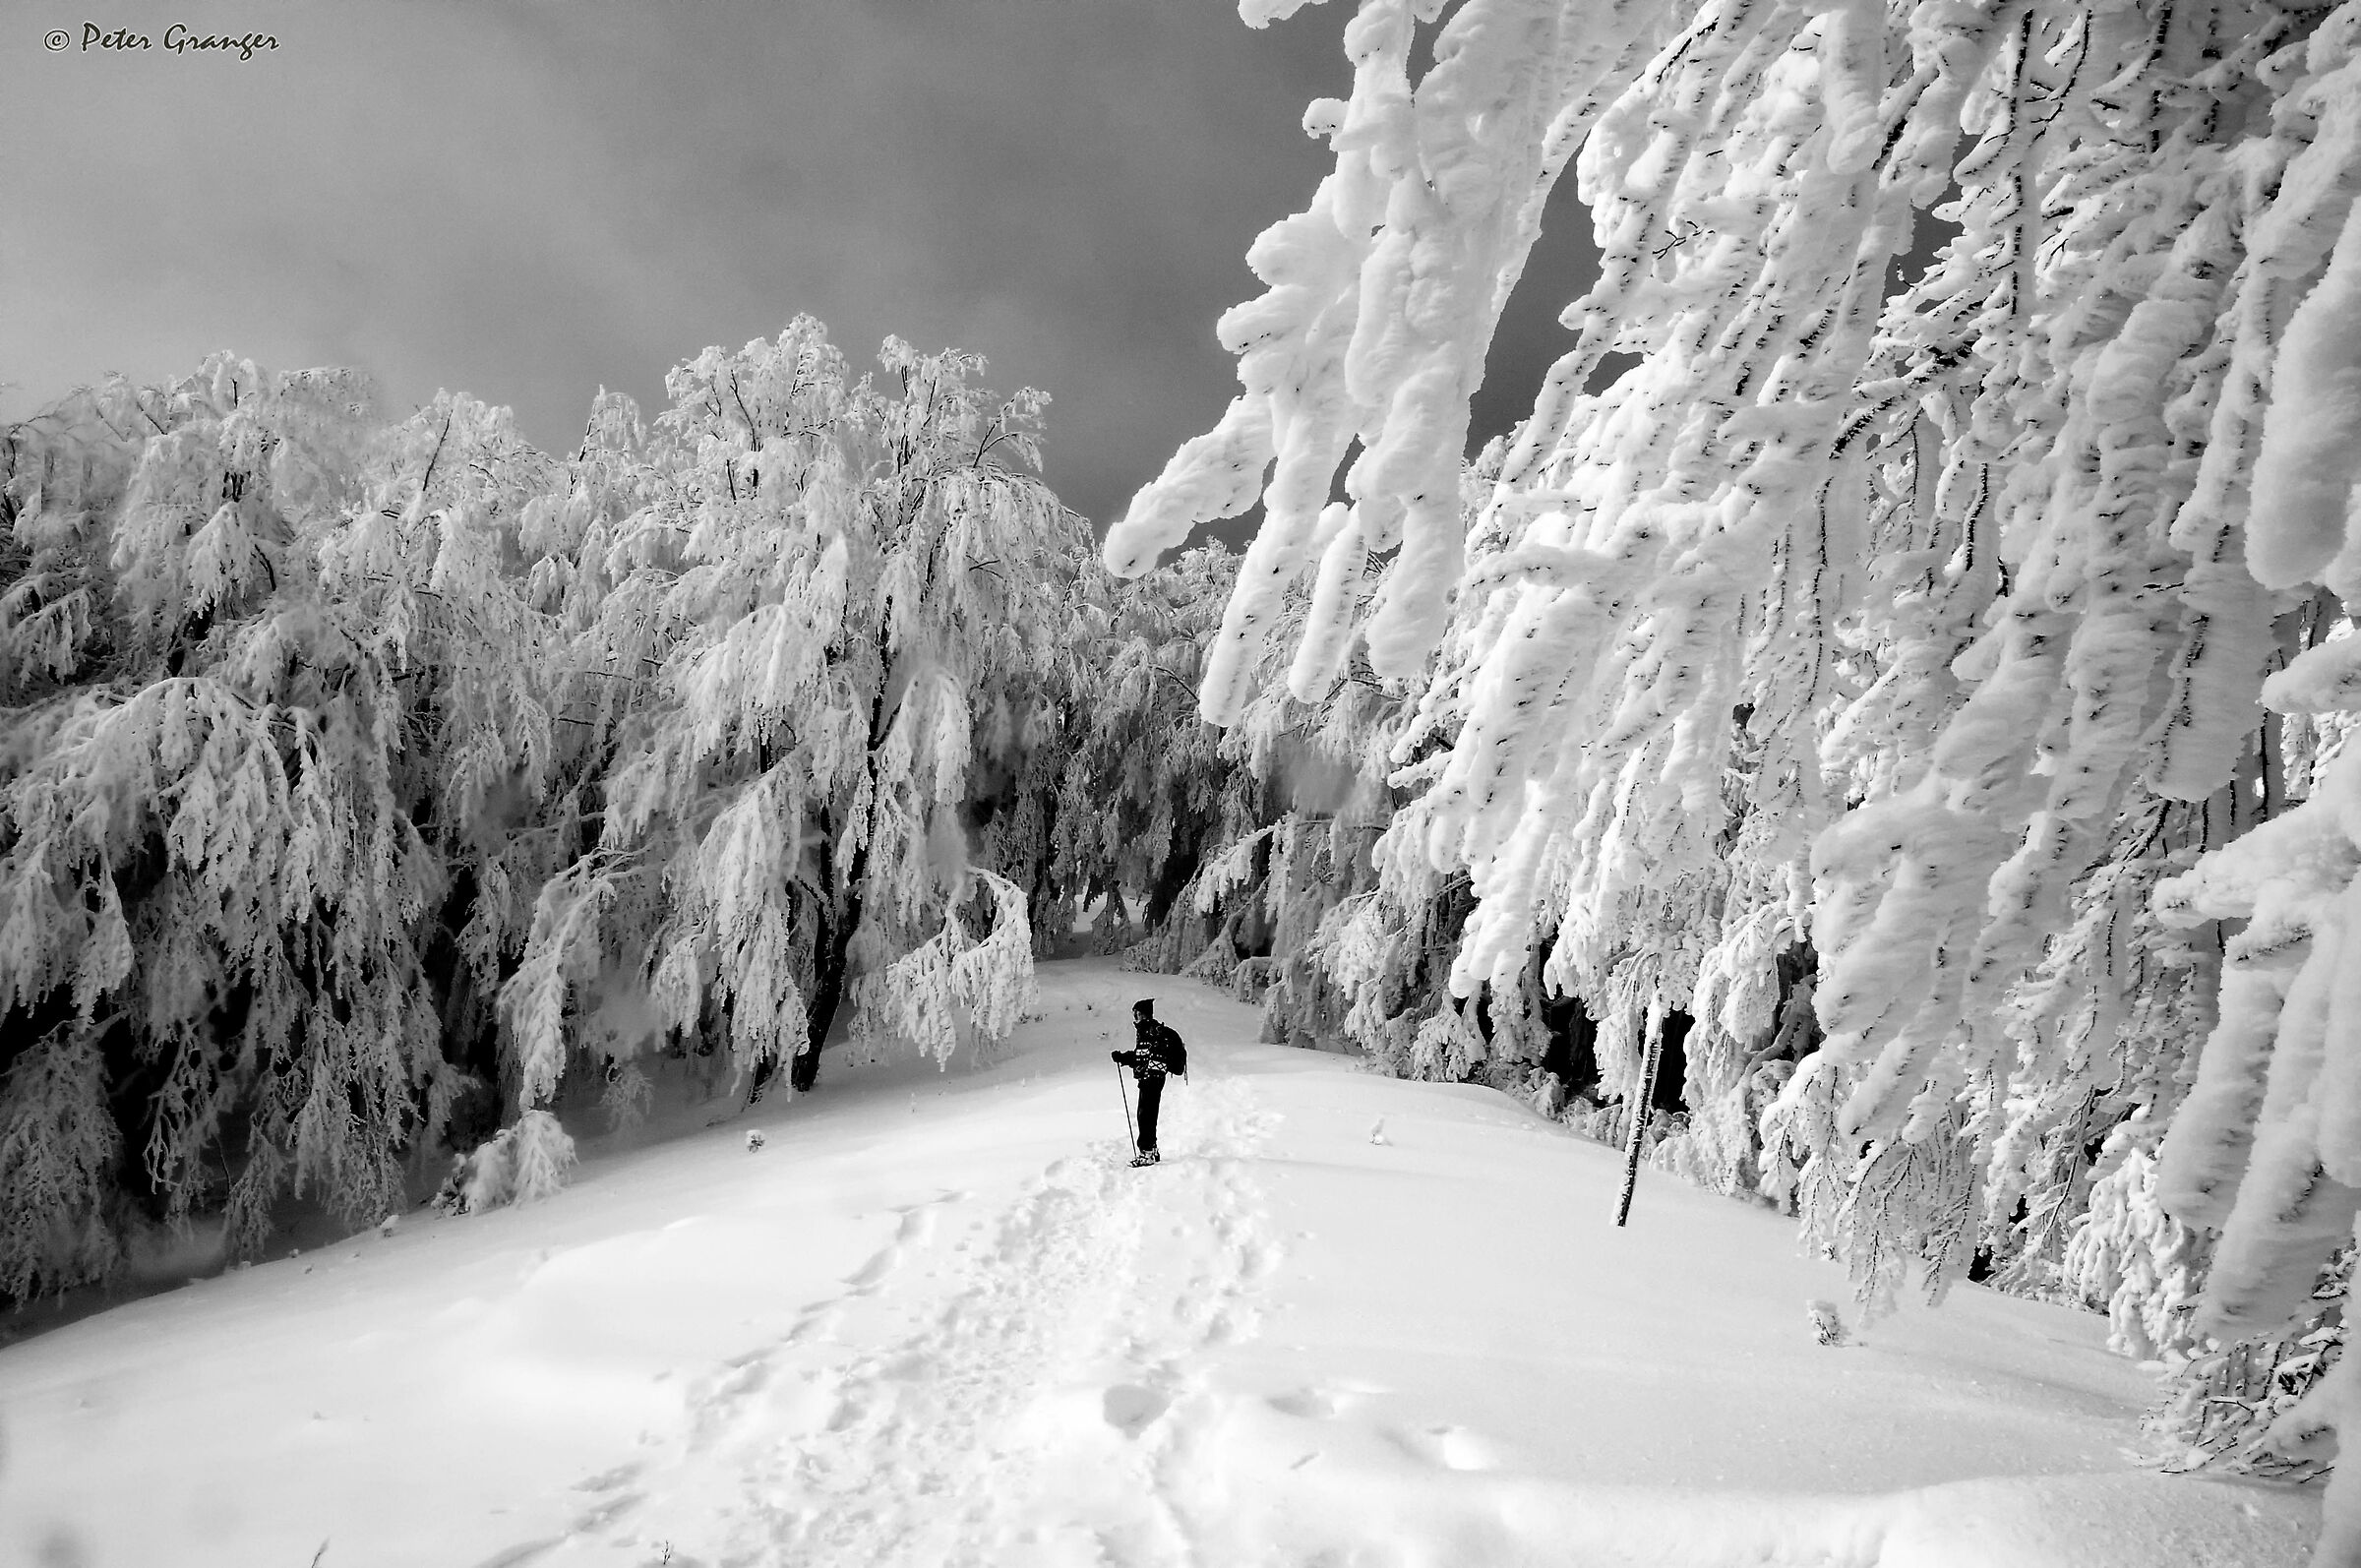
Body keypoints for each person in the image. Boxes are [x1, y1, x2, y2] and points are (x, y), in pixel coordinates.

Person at [1112, 997, 1186, 1167]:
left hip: (1152, 1079)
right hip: (1152, 1078)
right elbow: (1141, 1056)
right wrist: (1123, 1057)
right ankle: (1151, 1149)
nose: (1134, 1018)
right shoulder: (1150, 1031)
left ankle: (1146, 1153)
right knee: (1147, 1115)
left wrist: (1125, 1058)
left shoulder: (1151, 1032)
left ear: (1142, 1014)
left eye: (1135, 1014)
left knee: (1145, 1116)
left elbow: (1143, 1057)